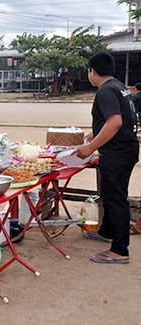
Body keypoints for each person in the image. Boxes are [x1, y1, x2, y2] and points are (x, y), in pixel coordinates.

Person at [75, 52, 139, 264]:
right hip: (126, 150)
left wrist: (90, 147)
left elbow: (115, 123)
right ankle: (107, 231)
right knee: (112, 195)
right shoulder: (119, 87)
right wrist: (96, 132)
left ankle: (120, 250)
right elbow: (123, 118)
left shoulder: (104, 91)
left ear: (92, 71)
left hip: (116, 154)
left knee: (115, 199)